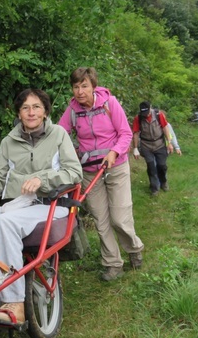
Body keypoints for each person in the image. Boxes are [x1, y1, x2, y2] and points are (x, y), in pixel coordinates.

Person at [0, 89, 82, 324]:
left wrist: (43, 179)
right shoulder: (9, 142)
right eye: (25, 108)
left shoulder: (58, 135)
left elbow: (74, 173)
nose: (31, 112)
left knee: (5, 223)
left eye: (36, 107)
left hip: (50, 203)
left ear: (45, 111)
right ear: (19, 113)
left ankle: (14, 302)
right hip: (16, 204)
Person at [58, 67, 144, 281]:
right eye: (76, 87)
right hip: (89, 172)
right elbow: (59, 135)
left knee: (119, 218)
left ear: (93, 86)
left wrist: (114, 152)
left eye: (84, 86)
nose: (80, 91)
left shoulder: (109, 103)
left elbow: (125, 133)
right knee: (101, 219)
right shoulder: (72, 110)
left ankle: (134, 249)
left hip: (116, 167)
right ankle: (113, 263)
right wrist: (71, 154)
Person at [132, 101, 174, 196]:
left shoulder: (159, 115)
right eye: (143, 113)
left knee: (162, 165)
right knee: (151, 167)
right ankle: (154, 188)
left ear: (150, 108)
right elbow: (136, 133)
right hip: (146, 145)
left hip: (160, 144)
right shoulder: (138, 118)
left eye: (146, 113)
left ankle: (163, 182)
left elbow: (165, 128)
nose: (145, 115)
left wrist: (169, 143)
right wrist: (135, 148)